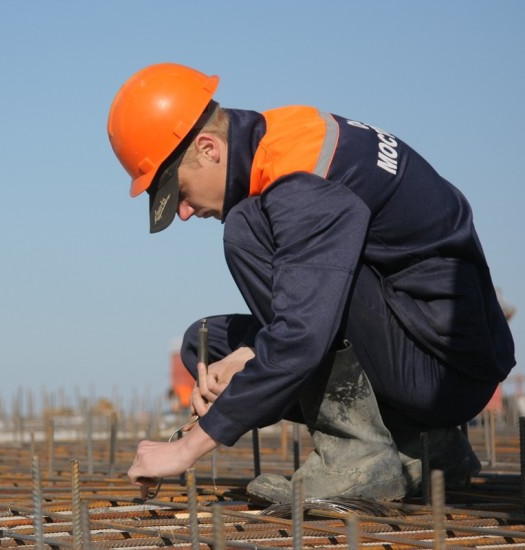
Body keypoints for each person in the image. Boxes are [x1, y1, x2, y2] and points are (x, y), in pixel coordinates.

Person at [107, 63, 516, 503]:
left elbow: (303, 336)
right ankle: (428, 449)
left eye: (180, 193)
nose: (184, 213)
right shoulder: (283, 135)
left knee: (246, 228)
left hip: (442, 370)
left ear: (209, 148)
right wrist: (251, 351)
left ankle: (357, 458)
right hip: (419, 336)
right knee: (205, 346)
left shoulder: (299, 181)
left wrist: (188, 448)